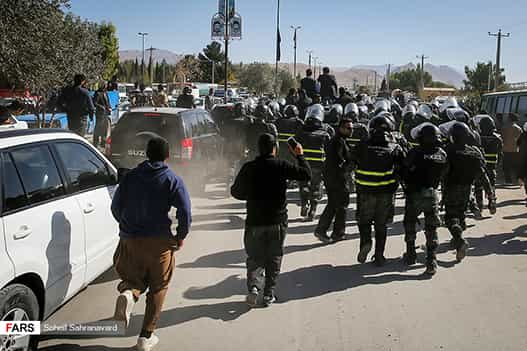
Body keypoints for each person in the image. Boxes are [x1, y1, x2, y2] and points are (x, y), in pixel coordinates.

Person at [111, 136, 192, 351]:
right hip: (159, 242)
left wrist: (126, 226)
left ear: (146, 154)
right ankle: (145, 338)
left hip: (130, 239)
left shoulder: (129, 177)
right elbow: (185, 211)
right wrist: (180, 236)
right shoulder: (172, 180)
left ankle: (128, 294)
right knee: (159, 286)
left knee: (133, 279)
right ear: (167, 156)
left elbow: (115, 206)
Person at [231, 133, 311, 307]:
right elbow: (306, 175)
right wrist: (300, 155)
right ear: (275, 148)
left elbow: (235, 192)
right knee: (274, 257)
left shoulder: (249, 167)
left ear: (259, 149)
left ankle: (254, 287)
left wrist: (251, 196)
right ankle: (268, 294)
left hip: (254, 221)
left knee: (255, 257)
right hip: (277, 221)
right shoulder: (281, 165)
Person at [354, 116, 405, 266]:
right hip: (386, 192)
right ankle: (379, 256)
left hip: (365, 191)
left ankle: (365, 242)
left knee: (364, 221)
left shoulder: (362, 144)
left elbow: (351, 160)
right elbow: (403, 166)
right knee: (381, 225)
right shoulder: (395, 146)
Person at [443, 122, 494, 261]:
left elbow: (442, 171)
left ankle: (459, 241)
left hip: (452, 188)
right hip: (467, 188)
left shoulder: (447, 150)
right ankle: (457, 238)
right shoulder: (474, 152)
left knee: (450, 217)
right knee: (460, 214)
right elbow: (483, 175)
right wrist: (490, 195)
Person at [402, 123, 447, 275]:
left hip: (414, 194)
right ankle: (431, 261)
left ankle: (410, 255)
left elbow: (404, 170)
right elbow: (444, 173)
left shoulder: (414, 152)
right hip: (432, 194)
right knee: (431, 228)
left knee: (410, 224)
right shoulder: (442, 153)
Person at [314, 118, 354, 243]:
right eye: (348, 128)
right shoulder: (337, 142)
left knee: (334, 204)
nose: (351, 130)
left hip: (334, 177)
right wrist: (348, 169)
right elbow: (338, 161)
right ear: (341, 128)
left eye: (351, 128)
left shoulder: (341, 141)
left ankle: (330, 231)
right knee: (340, 205)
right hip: (336, 178)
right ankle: (334, 232)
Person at [295, 105, 331, 221]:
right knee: (316, 186)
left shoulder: (301, 130)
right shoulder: (326, 131)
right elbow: (331, 148)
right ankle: (313, 210)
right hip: (318, 165)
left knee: (303, 184)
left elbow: (293, 144)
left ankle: (304, 204)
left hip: (304, 163)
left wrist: (297, 158)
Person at [475, 115, 502, 213]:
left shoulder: (478, 137)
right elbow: (500, 153)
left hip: (480, 166)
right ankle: (492, 202)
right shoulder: (497, 138)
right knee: (491, 185)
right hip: (492, 166)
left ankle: (479, 205)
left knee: (478, 186)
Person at [501, 113, 522, 184]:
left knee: (506, 167)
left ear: (509, 119)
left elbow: (502, 139)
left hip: (506, 150)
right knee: (515, 166)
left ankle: (508, 181)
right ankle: (517, 181)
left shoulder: (504, 128)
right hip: (516, 150)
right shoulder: (519, 129)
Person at [93, 83, 111, 147]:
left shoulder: (106, 93)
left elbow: (108, 102)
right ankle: (95, 143)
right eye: (105, 85)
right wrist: (101, 107)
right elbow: (94, 103)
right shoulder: (97, 93)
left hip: (106, 113)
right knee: (98, 128)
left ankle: (103, 143)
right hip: (100, 114)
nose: (106, 86)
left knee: (105, 128)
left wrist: (109, 107)